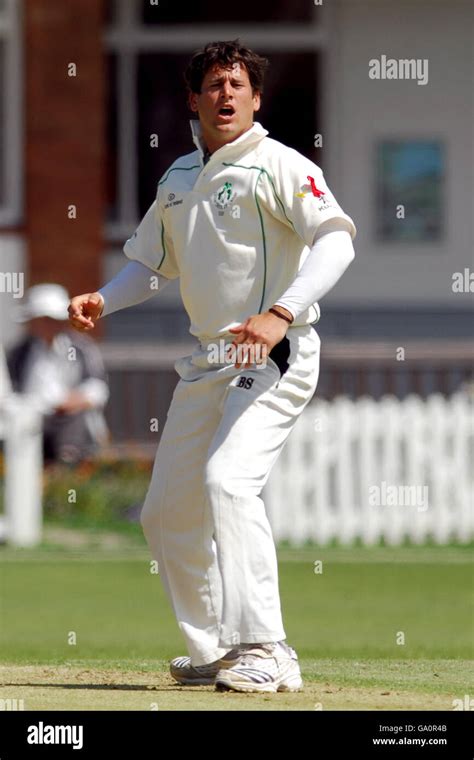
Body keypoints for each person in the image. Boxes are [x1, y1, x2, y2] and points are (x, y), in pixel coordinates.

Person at [68, 40, 357, 694]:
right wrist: (102, 300)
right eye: (214, 85)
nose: (226, 95)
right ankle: (219, 648)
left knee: (228, 482)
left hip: (274, 352)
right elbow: (150, 265)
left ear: (256, 98)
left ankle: (268, 647)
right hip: (209, 361)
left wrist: (279, 313)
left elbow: (337, 238)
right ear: (194, 99)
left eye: (238, 85)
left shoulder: (279, 165)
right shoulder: (177, 178)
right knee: (165, 514)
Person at [8, 283, 109, 466]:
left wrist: (73, 401)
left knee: (72, 433)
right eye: (42, 319)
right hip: (31, 423)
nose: (47, 325)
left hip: (70, 425)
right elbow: (10, 393)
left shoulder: (82, 349)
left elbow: (98, 389)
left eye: (51, 319)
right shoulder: (19, 353)